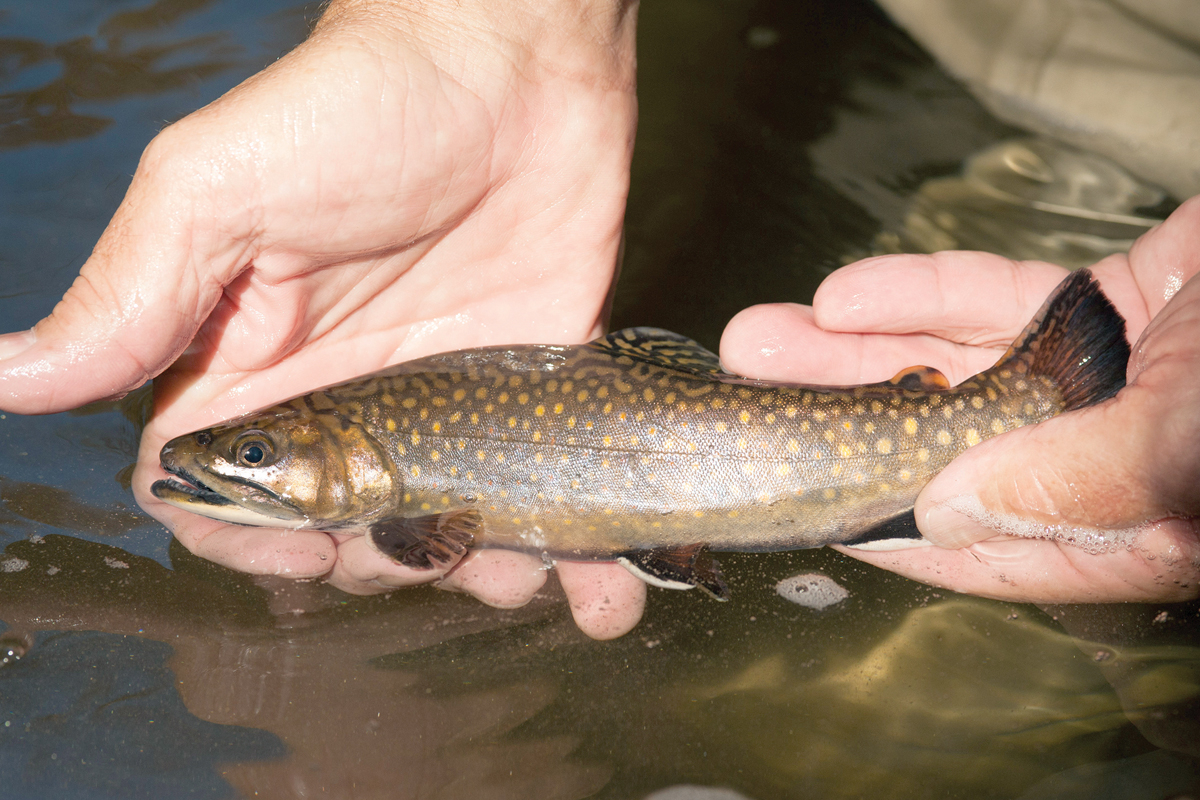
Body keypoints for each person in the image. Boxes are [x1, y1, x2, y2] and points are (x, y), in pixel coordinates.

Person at [0, 0, 1195, 640]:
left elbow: (426, 537)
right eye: (248, 457)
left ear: (342, 452)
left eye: (254, 452)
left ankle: (1027, 399)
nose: (236, 462)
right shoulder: (398, 460)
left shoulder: (404, 479)